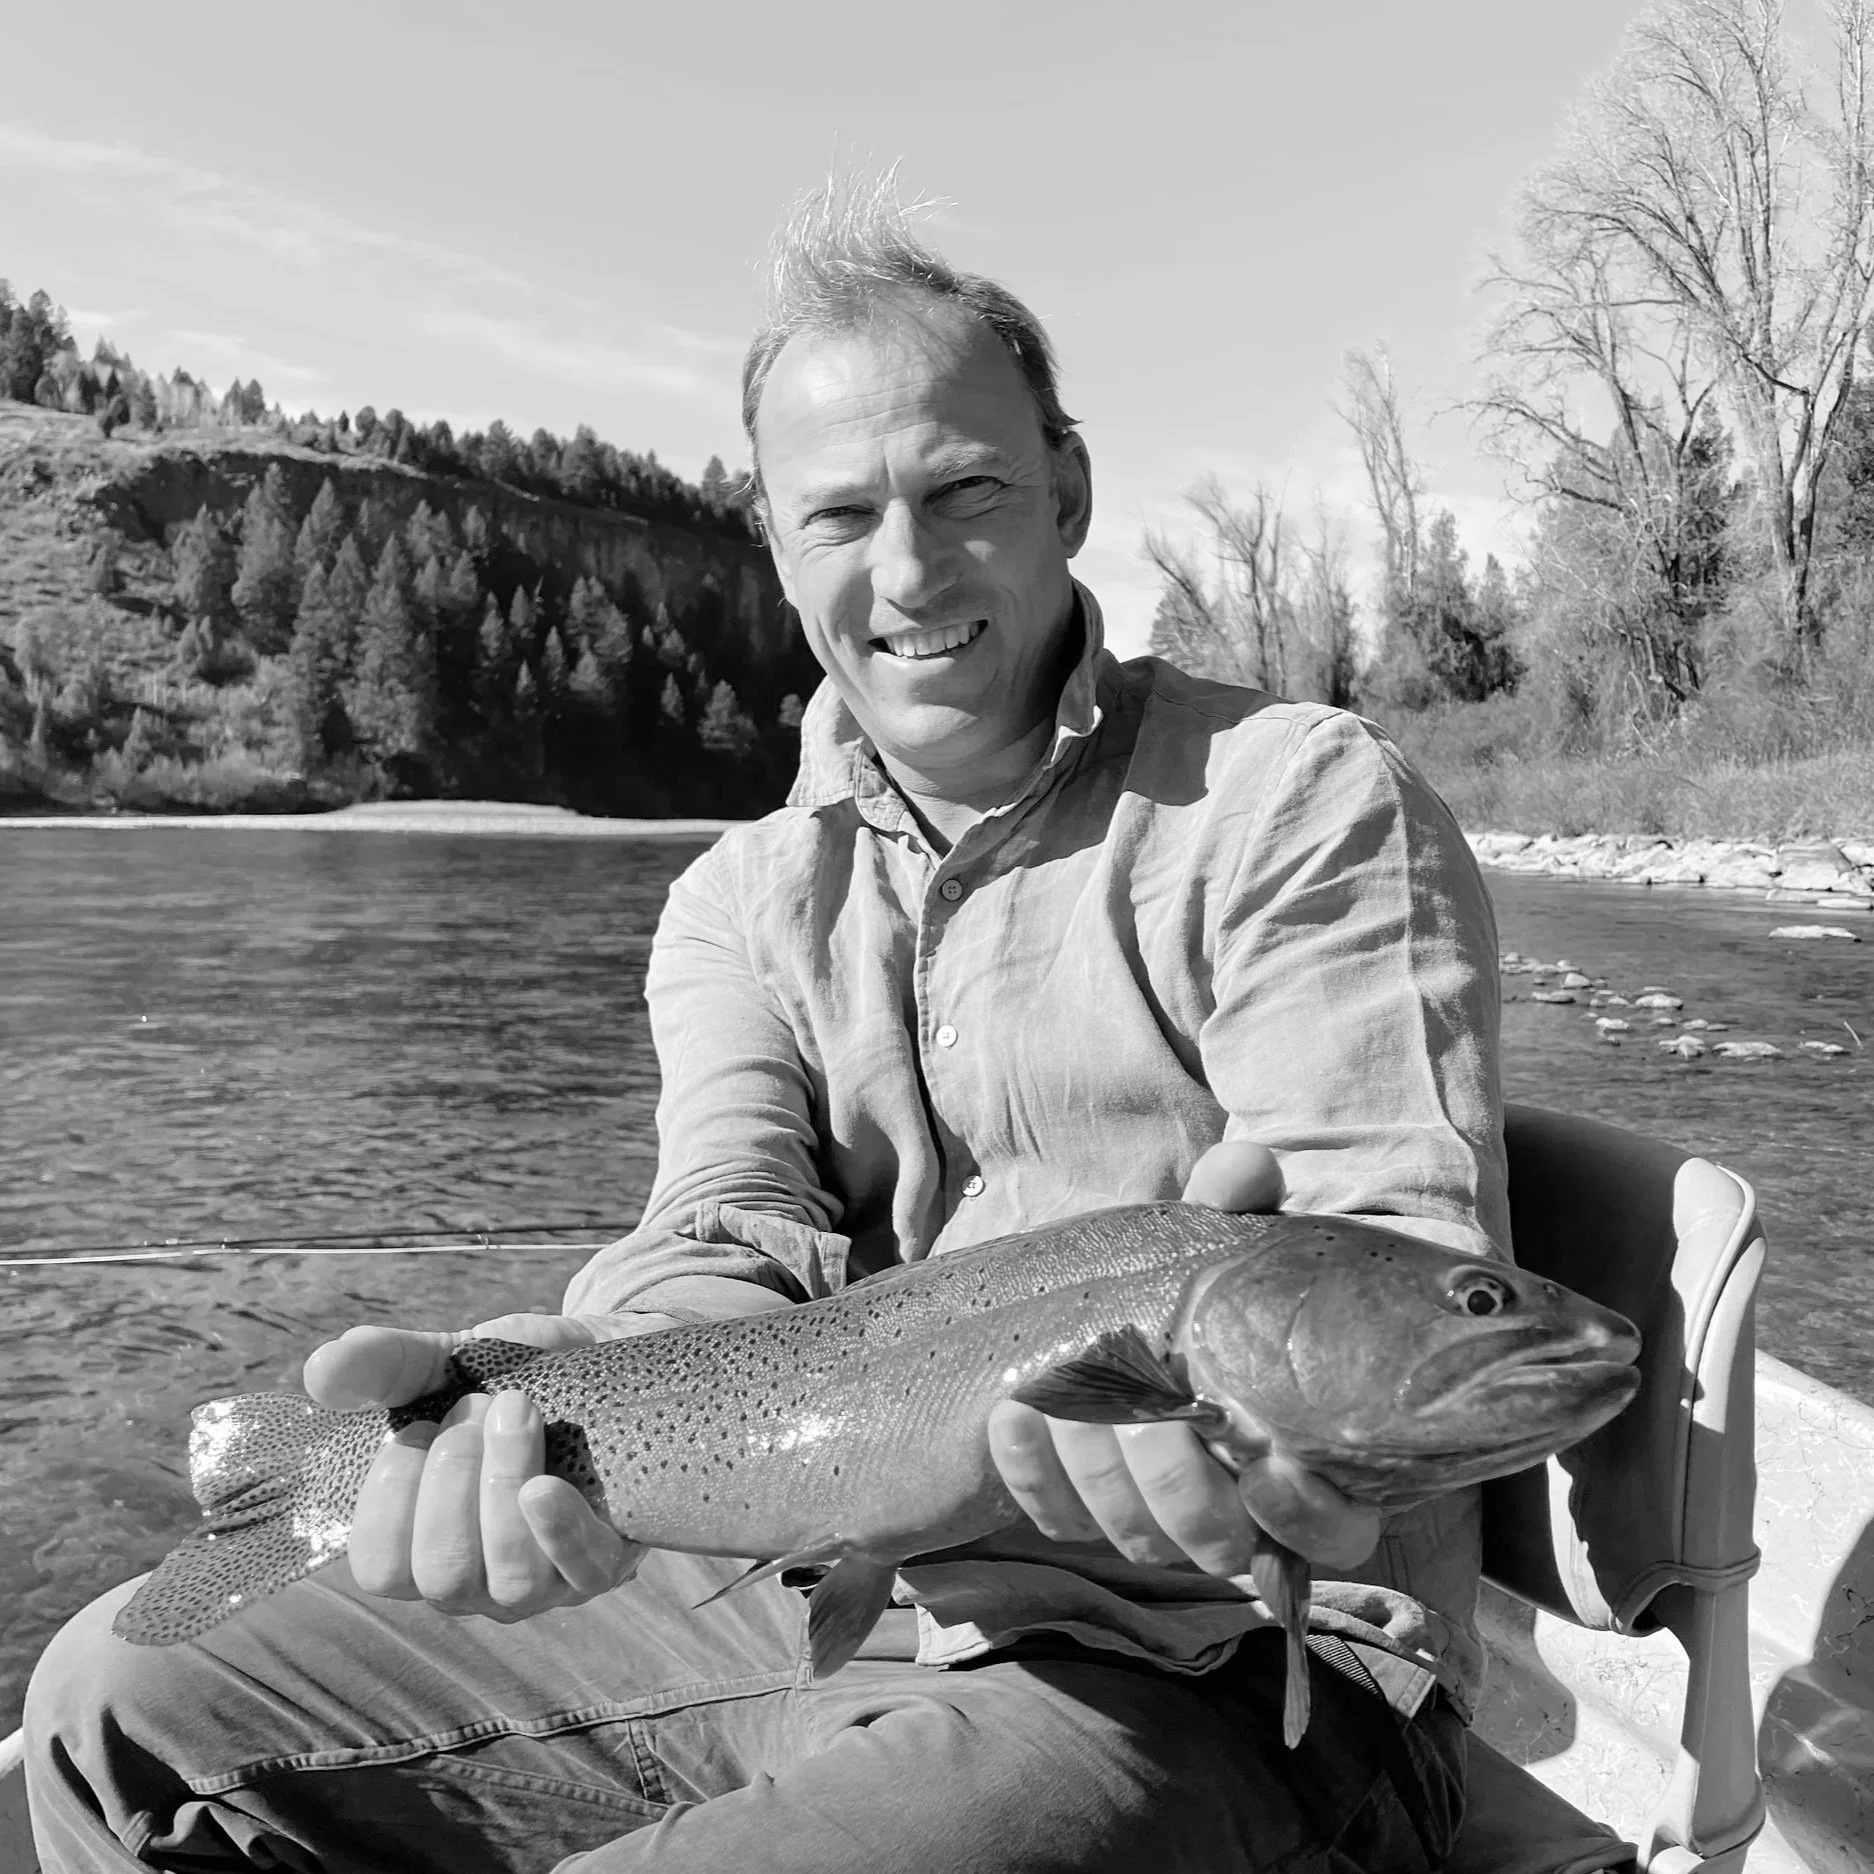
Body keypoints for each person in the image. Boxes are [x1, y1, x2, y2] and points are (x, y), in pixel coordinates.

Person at [25, 179, 1508, 1874]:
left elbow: (1389, 1257)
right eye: (840, 515)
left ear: (1069, 492)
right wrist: (545, 1421)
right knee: (111, 1705)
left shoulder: (1293, 802)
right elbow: (720, 1229)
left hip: (1241, 1660)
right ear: (776, 543)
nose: (908, 568)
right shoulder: (737, 900)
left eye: (965, 491)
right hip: (812, 1594)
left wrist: (1280, 1455)